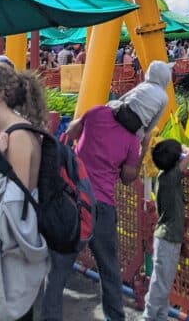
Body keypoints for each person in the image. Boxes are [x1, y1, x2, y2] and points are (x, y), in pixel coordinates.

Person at [0, 60, 49, 321]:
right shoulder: (14, 133)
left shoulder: (18, 137)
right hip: (9, 256)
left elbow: (14, 215)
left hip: (12, 260)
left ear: (0, 93)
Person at [65, 102, 148, 321]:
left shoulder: (97, 113)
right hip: (102, 205)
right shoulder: (132, 140)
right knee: (109, 269)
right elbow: (128, 177)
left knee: (59, 262)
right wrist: (143, 149)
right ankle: (115, 317)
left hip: (75, 197)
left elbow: (71, 130)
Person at [142, 140, 189, 321]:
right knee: (161, 284)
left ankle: (160, 317)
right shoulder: (171, 177)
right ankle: (148, 316)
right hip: (169, 239)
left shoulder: (163, 176)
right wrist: (183, 150)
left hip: (164, 237)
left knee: (163, 282)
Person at [109, 60, 172, 137]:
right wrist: (146, 132)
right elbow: (155, 120)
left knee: (111, 103)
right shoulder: (164, 97)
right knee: (141, 136)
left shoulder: (144, 85)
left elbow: (124, 97)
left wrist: (115, 105)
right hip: (136, 124)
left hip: (123, 112)